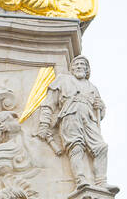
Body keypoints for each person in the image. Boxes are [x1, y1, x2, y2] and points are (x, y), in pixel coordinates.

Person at [36, 56, 112, 190]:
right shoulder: (63, 80)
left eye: (82, 64)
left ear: (87, 69)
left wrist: (101, 107)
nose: (79, 66)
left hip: (89, 119)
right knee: (76, 146)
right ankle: (80, 180)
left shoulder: (93, 88)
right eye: (76, 64)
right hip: (70, 115)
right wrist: (44, 123)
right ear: (71, 68)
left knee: (101, 147)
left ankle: (101, 182)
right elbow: (48, 103)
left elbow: (100, 112)